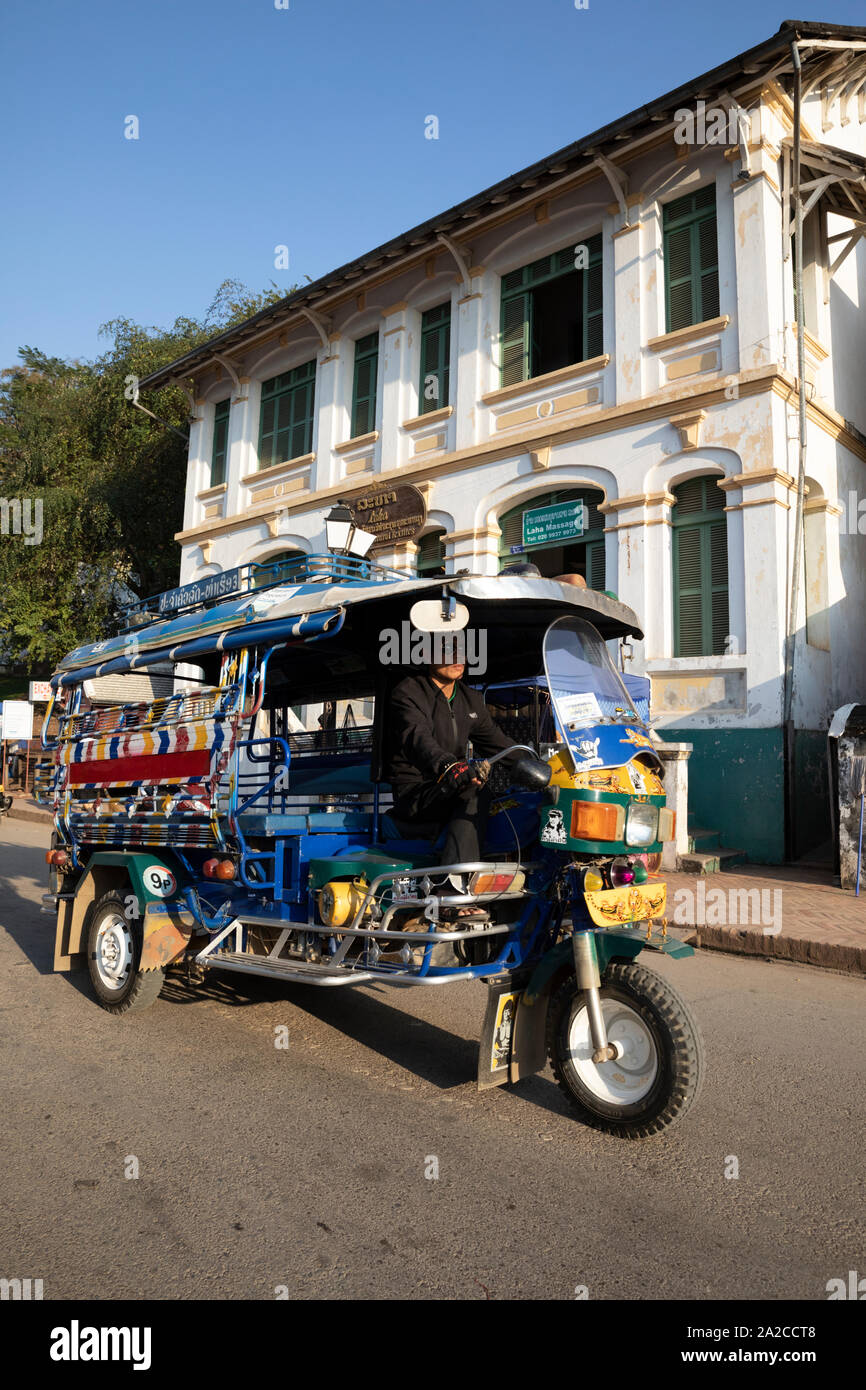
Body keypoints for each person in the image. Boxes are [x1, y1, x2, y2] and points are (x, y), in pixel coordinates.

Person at [386, 659, 517, 865]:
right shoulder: (408, 692)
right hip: (416, 793)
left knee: (515, 801)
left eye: (461, 650)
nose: (457, 658)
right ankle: (453, 882)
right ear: (426, 653)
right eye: (447, 650)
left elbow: (499, 743)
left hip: (453, 784)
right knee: (474, 790)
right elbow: (417, 737)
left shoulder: (470, 698)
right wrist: (448, 765)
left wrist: (540, 765)